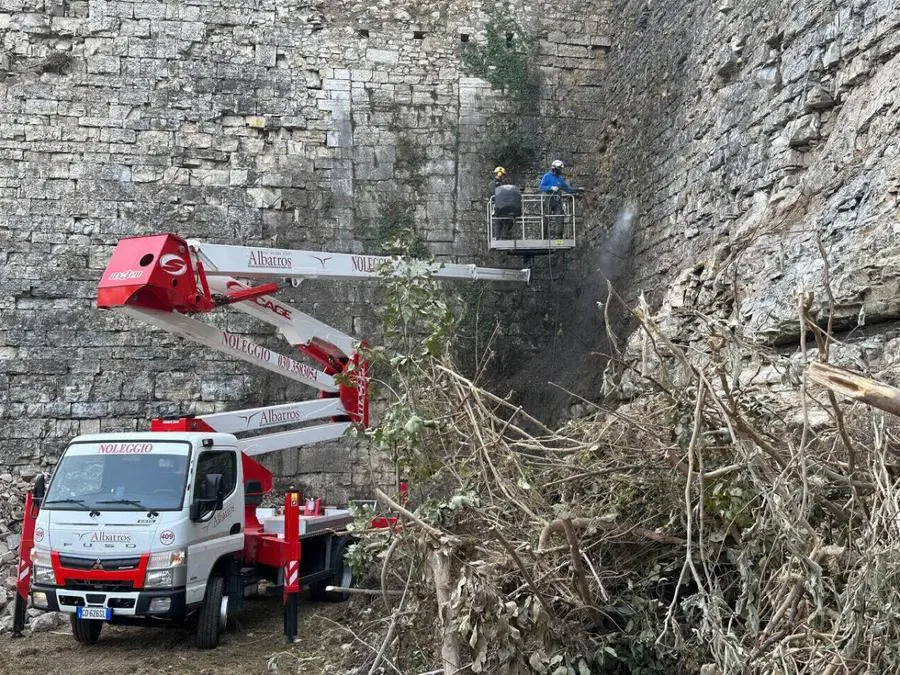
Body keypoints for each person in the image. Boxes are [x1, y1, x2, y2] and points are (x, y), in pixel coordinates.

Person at [539, 160, 579, 238]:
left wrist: (576, 190)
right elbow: (541, 187)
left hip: (557, 201)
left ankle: (559, 237)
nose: (560, 170)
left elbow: (567, 188)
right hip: (548, 199)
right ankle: (543, 237)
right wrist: (550, 188)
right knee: (545, 218)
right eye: (559, 169)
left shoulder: (560, 179)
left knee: (560, 218)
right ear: (555, 168)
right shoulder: (547, 176)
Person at [490, 166, 522, 240]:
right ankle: (500, 237)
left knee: (507, 221)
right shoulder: (493, 184)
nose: (503, 177)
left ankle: (502, 237)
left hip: (503, 205)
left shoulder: (502, 184)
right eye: (502, 175)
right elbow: (494, 193)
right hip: (497, 205)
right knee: (500, 221)